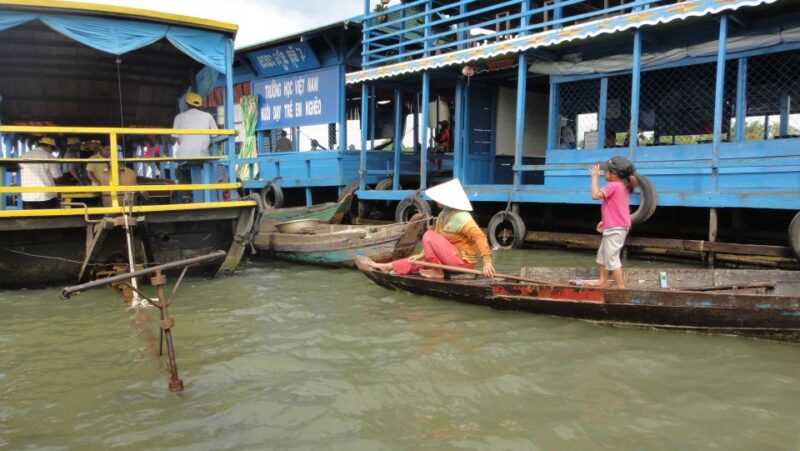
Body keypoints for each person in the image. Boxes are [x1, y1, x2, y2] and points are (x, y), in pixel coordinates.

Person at [368, 179, 495, 279]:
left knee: (428, 235)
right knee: (418, 260)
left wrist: (487, 262)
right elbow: (435, 242)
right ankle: (387, 266)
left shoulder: (461, 216)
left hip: (463, 262)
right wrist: (421, 255)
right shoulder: (443, 215)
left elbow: (480, 237)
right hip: (450, 257)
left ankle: (437, 271)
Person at [583, 156, 637, 289]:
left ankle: (620, 288)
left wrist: (594, 177)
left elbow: (595, 195)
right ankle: (602, 281)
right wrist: (605, 221)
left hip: (616, 228)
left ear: (614, 175)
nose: (603, 172)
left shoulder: (613, 185)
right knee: (603, 255)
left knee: (612, 258)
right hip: (615, 226)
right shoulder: (621, 186)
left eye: (606, 171)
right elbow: (618, 208)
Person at [172, 92, 217, 198]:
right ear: (200, 105)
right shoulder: (208, 116)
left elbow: (176, 139)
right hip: (201, 155)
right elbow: (215, 135)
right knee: (209, 165)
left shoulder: (179, 117)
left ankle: (186, 196)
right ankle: (207, 194)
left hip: (184, 155)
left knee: (181, 169)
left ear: (186, 105)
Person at [19, 137, 62, 209]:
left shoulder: (22, 156)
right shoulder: (49, 156)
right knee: (48, 215)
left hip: (27, 195)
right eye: (52, 149)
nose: (52, 152)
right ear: (49, 146)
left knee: (31, 215)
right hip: (46, 195)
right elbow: (56, 176)